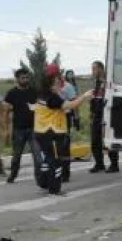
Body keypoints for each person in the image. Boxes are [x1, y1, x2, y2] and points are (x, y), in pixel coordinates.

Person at [33, 64, 93, 195]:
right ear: (51, 83)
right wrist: (84, 96)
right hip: (52, 133)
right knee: (56, 162)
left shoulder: (42, 94)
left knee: (47, 159)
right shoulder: (52, 98)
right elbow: (70, 105)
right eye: (56, 81)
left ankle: (43, 182)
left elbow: (59, 108)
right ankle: (54, 189)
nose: (59, 83)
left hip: (41, 132)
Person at [1, 68, 37, 183]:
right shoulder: (12, 93)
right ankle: (13, 174)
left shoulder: (34, 91)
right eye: (23, 78)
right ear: (17, 79)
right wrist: (6, 129)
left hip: (34, 129)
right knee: (16, 155)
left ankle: (40, 176)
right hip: (19, 129)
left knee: (37, 155)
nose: (25, 80)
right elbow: (5, 112)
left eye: (27, 77)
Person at [87, 60, 119, 174]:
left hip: (107, 113)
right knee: (95, 140)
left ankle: (114, 164)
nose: (93, 71)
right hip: (97, 114)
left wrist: (105, 83)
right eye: (92, 69)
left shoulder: (108, 80)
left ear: (101, 68)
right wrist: (91, 112)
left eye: (94, 68)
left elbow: (114, 92)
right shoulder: (95, 82)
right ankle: (99, 163)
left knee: (108, 139)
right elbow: (94, 98)